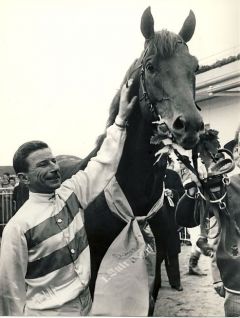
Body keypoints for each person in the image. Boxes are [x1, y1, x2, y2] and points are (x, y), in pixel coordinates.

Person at [0, 80, 137, 316]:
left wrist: (121, 120)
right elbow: (10, 292)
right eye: (43, 164)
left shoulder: (71, 192)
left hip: (87, 306)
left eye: (53, 160)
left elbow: (103, 162)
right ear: (23, 178)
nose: (54, 168)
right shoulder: (17, 228)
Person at [176, 126, 240, 317]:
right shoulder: (224, 187)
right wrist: (192, 190)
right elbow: (187, 218)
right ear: (236, 152)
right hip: (237, 282)